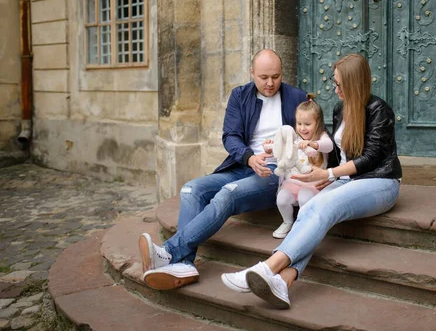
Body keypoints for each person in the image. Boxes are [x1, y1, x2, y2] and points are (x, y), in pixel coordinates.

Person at [220, 53, 402, 308]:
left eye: (339, 84)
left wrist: (328, 175)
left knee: (323, 207)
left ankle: (267, 267)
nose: (334, 88)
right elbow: (337, 155)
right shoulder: (341, 109)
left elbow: (370, 159)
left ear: (353, 83)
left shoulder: (378, 110)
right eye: (334, 82)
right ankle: (284, 282)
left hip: (380, 182)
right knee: (309, 208)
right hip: (347, 179)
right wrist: (321, 169)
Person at [138, 49, 307, 290]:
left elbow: (312, 135)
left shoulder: (297, 97)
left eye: (276, 76)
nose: (270, 83)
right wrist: (249, 158)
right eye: (263, 77)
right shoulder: (240, 95)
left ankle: (168, 252)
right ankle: (184, 264)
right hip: (242, 165)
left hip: (276, 174)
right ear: (252, 73)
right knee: (191, 190)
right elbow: (230, 136)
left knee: (228, 193)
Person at [262, 94, 334, 239]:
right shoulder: (293, 138)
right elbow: (280, 154)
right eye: (299, 124)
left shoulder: (321, 137)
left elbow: (329, 146)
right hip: (292, 183)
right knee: (282, 199)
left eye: (307, 124)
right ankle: (287, 222)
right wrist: (270, 149)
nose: (302, 128)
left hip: (312, 184)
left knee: (304, 198)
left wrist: (313, 144)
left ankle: (305, 225)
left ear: (318, 123)